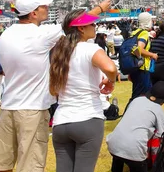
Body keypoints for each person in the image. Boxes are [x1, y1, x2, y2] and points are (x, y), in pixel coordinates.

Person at [0, 0, 112, 172]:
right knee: (30, 165)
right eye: (43, 6)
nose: (47, 9)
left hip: (8, 106)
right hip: (32, 108)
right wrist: (101, 8)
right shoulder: (40, 35)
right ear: (33, 13)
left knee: (2, 164)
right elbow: (74, 23)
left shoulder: (6, 36)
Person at [49, 9, 118, 172]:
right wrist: (111, 81)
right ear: (81, 28)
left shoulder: (59, 52)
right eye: (92, 24)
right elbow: (110, 67)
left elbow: (53, 89)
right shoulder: (90, 49)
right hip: (87, 117)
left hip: (61, 121)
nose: (95, 26)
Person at [106, 81, 164, 172]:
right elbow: (160, 137)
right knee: (136, 164)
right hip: (134, 150)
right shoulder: (159, 111)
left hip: (113, 143)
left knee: (118, 159)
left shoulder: (137, 100)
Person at [127, 12, 158, 108]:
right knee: (142, 95)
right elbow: (139, 49)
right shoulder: (144, 34)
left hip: (135, 68)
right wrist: (152, 55)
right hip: (142, 68)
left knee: (137, 94)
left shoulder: (134, 32)